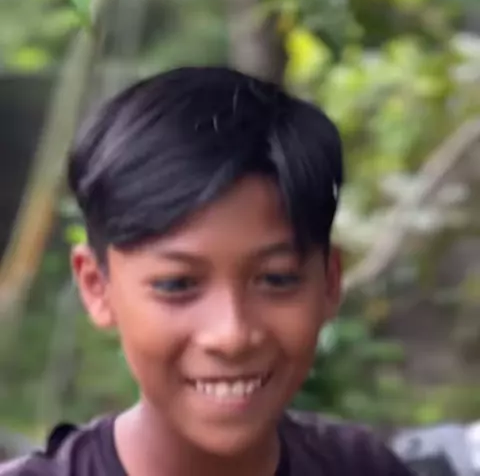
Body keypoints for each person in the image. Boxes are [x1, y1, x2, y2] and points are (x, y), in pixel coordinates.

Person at [2, 66, 413, 476]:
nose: (232, 336)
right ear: (96, 286)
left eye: (277, 278)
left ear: (330, 281)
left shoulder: (362, 468)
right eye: (177, 284)